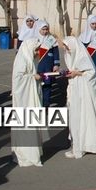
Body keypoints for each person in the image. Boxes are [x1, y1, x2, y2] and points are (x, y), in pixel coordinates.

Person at [61, 36, 96, 159]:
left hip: (84, 95)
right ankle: (77, 146)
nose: (66, 50)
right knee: (75, 119)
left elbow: (91, 74)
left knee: (86, 118)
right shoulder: (71, 57)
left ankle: (88, 145)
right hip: (75, 92)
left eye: (68, 48)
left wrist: (77, 73)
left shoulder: (82, 56)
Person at [11, 38, 44, 167]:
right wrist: (33, 77)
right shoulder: (21, 59)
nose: (37, 52)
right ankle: (26, 154)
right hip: (24, 100)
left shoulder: (30, 59)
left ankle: (34, 151)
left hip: (31, 96)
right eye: (36, 49)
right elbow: (18, 79)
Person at [35, 19, 60, 108]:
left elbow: (56, 52)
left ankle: (46, 104)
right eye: (43, 29)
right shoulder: (34, 39)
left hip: (49, 66)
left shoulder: (51, 39)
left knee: (47, 85)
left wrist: (56, 64)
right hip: (38, 66)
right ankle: (38, 104)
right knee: (37, 86)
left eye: (46, 29)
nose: (45, 31)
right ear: (39, 29)